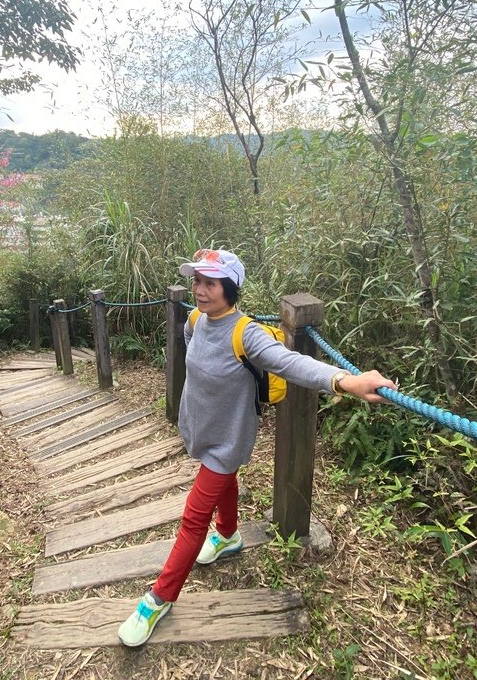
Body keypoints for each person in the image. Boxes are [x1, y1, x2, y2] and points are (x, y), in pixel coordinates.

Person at [117, 248, 398, 647]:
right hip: (201, 428)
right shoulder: (197, 320)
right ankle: (229, 535)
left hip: (228, 437)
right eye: (197, 281)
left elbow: (291, 363)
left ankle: (158, 598)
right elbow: (189, 342)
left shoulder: (245, 333)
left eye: (209, 283)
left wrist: (346, 381)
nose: (198, 290)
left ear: (230, 288)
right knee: (223, 483)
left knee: (194, 519)